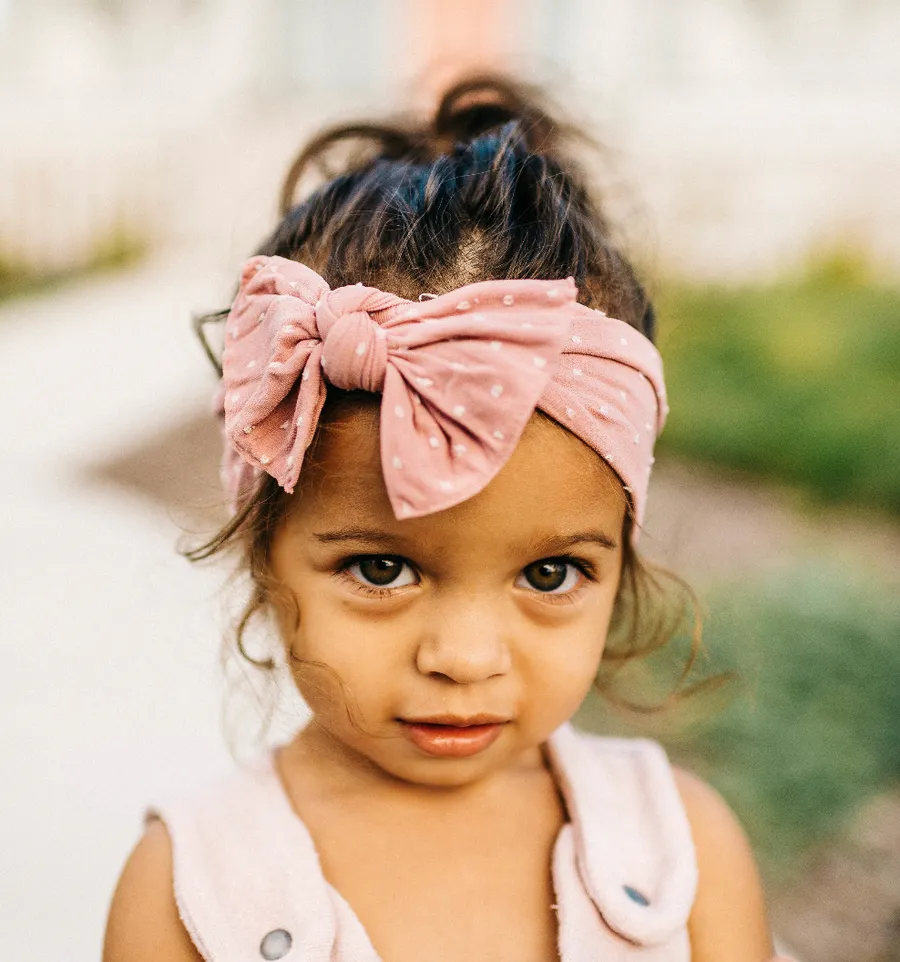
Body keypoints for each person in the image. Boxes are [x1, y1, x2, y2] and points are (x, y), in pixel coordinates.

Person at [103, 77, 793, 962]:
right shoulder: (189, 896)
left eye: (551, 574)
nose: (465, 659)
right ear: (262, 553)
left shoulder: (684, 857)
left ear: (622, 559)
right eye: (382, 570)